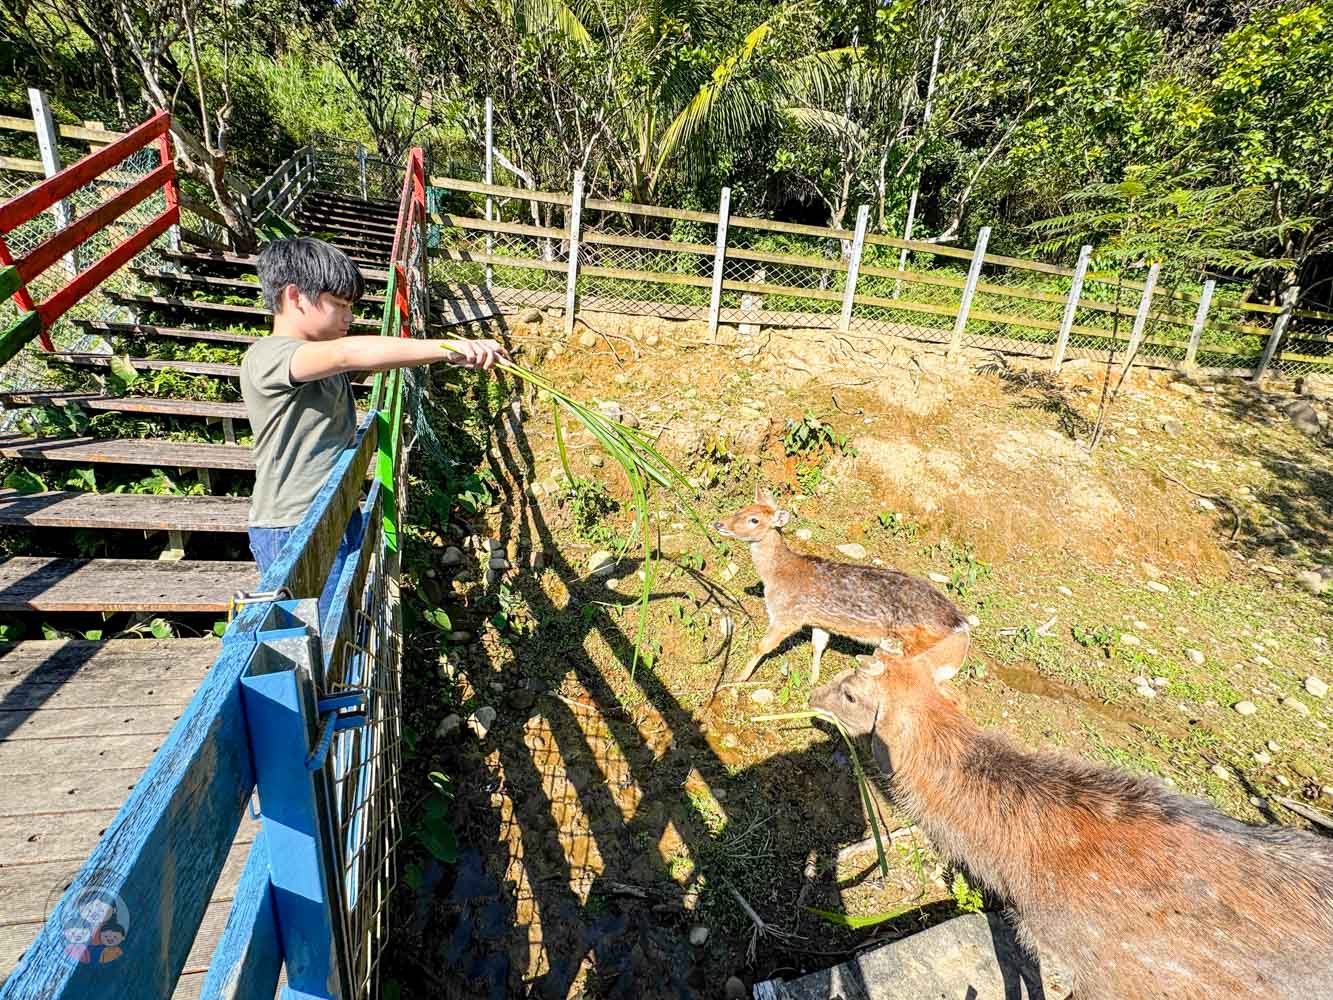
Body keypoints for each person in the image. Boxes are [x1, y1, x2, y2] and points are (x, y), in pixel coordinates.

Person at [241, 238, 507, 624]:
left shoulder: (317, 362)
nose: (349, 317)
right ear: (296, 296)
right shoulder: (270, 355)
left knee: (341, 628)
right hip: (295, 526)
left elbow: (362, 361)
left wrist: (453, 359)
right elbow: (350, 353)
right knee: (316, 639)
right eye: (341, 305)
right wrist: (448, 347)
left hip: (333, 510)